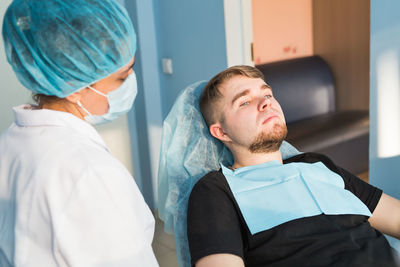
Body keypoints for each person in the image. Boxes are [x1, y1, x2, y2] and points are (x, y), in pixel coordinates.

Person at [187, 65, 400, 267]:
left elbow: (396, 217)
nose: (266, 103)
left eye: (267, 94)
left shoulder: (317, 164)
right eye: (244, 102)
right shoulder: (216, 190)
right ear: (221, 132)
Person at [0, 0, 158, 266]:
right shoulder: (89, 172)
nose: (130, 83)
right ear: (74, 87)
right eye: (121, 76)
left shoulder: (11, 141)